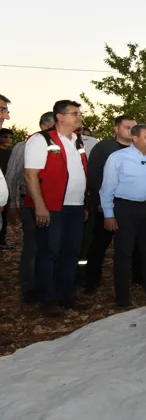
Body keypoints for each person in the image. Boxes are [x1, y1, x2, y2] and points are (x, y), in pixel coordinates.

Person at [24, 99, 90, 317]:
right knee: (49, 252)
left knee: (71, 252)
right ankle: (48, 298)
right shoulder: (40, 140)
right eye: (74, 113)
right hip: (51, 207)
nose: (79, 116)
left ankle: (66, 293)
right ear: (60, 117)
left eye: (79, 113)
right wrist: (40, 206)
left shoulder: (78, 141)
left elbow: (81, 173)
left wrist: (85, 204)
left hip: (76, 206)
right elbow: (31, 175)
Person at [99, 124, 146, 308]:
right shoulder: (117, 158)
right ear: (134, 138)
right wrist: (109, 215)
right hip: (126, 210)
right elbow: (107, 188)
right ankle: (122, 298)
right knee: (123, 253)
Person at [82, 115, 138, 293]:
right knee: (100, 242)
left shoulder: (140, 148)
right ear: (116, 128)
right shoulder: (104, 148)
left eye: (133, 128)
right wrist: (100, 203)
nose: (131, 131)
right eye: (127, 127)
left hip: (131, 205)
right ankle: (91, 280)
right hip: (107, 204)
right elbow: (94, 175)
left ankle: (137, 278)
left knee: (134, 244)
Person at [6, 111, 55, 304]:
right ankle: (29, 288)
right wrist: (11, 205)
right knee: (33, 246)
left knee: (53, 245)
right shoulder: (23, 146)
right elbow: (11, 176)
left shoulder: (64, 145)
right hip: (30, 203)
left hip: (58, 204)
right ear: (44, 126)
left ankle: (51, 284)